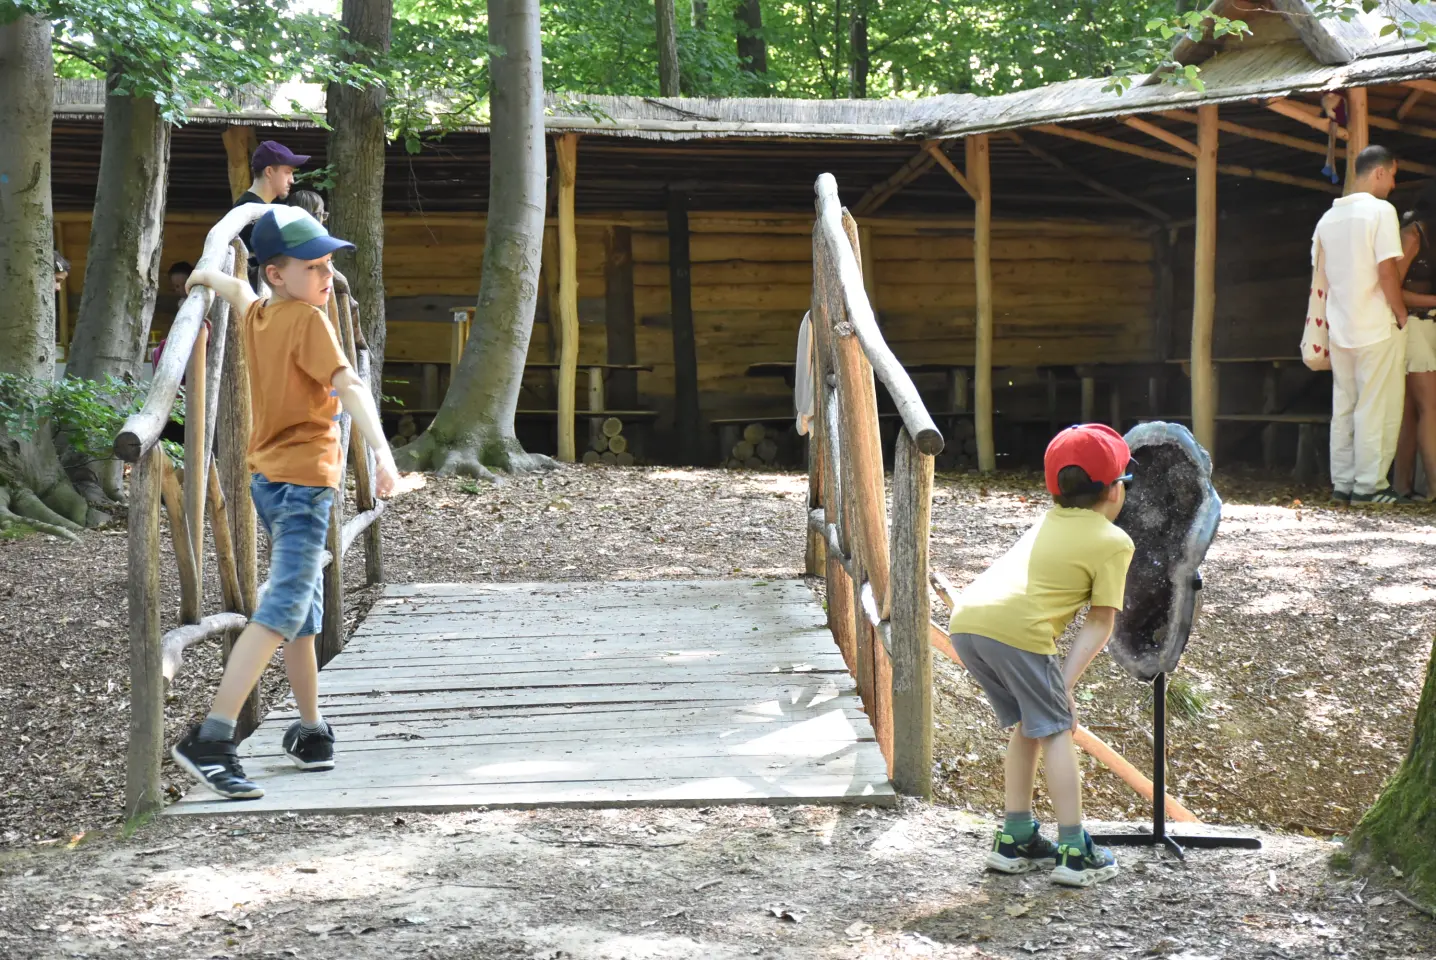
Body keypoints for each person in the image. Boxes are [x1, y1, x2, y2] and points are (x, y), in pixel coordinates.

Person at [171, 206, 403, 800]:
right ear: (278, 273)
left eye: (330, 266)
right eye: (315, 267)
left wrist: (204, 276)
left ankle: (308, 729)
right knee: (287, 603)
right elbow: (348, 384)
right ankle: (212, 737)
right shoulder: (307, 320)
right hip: (303, 487)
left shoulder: (262, 312)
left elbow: (235, 290)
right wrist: (382, 454)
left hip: (268, 483)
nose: (327, 278)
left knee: (303, 607)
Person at [947, 423, 1134, 888]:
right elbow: (1100, 620)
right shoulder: (1114, 542)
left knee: (1031, 724)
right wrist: (1063, 689)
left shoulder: (1044, 522)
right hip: (1017, 632)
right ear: (1113, 491)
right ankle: (1075, 850)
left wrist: (1053, 691)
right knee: (1055, 729)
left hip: (968, 624)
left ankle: (1016, 837)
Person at [1313, 144, 1409, 504]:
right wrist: (1400, 313)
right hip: (1375, 324)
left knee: (1344, 407)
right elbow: (1387, 271)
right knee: (1374, 405)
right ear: (1380, 172)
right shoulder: (1381, 212)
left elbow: (1319, 278)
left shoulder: (1327, 219)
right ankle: (1370, 487)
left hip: (1340, 327)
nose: (1394, 185)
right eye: (1394, 176)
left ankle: (1343, 484)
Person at [1393, 183, 1436, 501]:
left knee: (1410, 411)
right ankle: (1434, 490)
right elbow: (1391, 289)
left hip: (1429, 324)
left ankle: (1402, 486)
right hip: (1411, 326)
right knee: (1429, 407)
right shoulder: (1412, 235)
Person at [235, 140, 311, 281]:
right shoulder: (248, 213)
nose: (292, 180)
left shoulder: (254, 209)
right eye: (287, 172)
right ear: (269, 171)